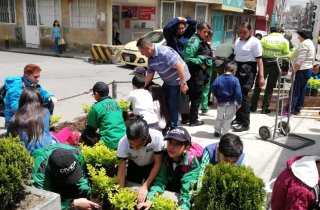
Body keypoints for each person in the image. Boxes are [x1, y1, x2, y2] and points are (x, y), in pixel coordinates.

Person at [137, 127, 201, 210]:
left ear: (186, 148)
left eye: (177, 144)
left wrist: (183, 208)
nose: (171, 147)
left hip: (181, 194)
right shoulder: (165, 157)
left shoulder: (192, 163)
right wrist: (150, 199)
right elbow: (160, 181)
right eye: (169, 142)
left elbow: (187, 191)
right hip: (169, 190)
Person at [137, 37, 190, 129]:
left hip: (177, 80)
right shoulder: (150, 59)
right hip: (168, 81)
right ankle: (168, 123)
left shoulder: (164, 53)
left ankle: (174, 127)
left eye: (141, 51)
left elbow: (180, 66)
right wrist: (141, 88)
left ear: (147, 48)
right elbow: (150, 74)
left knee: (172, 103)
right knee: (164, 101)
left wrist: (183, 84)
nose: (141, 54)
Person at [32, 144, 100, 210]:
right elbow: (43, 201)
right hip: (49, 179)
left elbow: (81, 178)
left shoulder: (76, 154)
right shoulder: (41, 170)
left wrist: (88, 194)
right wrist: (73, 204)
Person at [117, 116, 164, 204]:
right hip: (134, 165)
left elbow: (158, 163)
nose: (135, 148)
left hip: (152, 166)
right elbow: (121, 170)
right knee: (132, 187)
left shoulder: (157, 137)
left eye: (139, 145)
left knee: (149, 191)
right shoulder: (123, 143)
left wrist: (145, 186)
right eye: (131, 145)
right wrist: (120, 193)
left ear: (146, 137)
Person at [232, 22, 265, 132]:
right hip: (238, 68)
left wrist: (261, 77)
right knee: (237, 94)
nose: (242, 34)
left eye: (245, 32)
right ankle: (238, 117)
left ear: (251, 31)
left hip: (249, 69)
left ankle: (245, 123)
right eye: (240, 32)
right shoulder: (238, 41)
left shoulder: (255, 42)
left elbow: (259, 60)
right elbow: (236, 56)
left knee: (244, 96)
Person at [3, 64, 56, 130]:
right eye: (35, 77)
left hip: (28, 114)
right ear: (26, 76)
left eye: (38, 77)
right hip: (14, 118)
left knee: (50, 102)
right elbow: (15, 108)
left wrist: (49, 97)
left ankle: (46, 124)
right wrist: (34, 111)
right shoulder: (16, 88)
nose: (37, 79)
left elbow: (42, 92)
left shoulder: (32, 83)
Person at [250, 26, 290, 114]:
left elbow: (258, 52)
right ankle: (264, 108)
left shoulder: (264, 39)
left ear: (270, 31)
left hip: (263, 63)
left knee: (258, 85)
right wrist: (285, 68)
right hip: (276, 65)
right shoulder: (284, 41)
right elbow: (286, 57)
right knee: (270, 87)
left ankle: (253, 107)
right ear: (279, 31)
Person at [182, 22, 213, 126]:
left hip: (197, 73)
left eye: (207, 32)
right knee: (195, 97)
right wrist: (201, 62)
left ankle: (186, 118)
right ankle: (193, 120)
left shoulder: (201, 41)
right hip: (194, 74)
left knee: (190, 97)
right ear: (198, 31)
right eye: (204, 32)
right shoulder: (194, 42)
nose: (206, 34)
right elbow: (188, 59)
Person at [10, 88, 58, 154]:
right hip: (45, 148)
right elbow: (46, 130)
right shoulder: (45, 112)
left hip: (25, 151)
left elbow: (10, 136)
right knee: (63, 132)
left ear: (21, 101)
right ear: (39, 100)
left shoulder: (15, 118)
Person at [81, 82, 126, 149]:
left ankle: (83, 151)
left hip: (109, 142)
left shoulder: (96, 107)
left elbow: (91, 128)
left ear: (96, 93)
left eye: (93, 94)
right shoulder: (116, 104)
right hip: (124, 140)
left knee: (86, 134)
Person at [282, 28, 315, 115]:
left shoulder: (304, 44)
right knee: (302, 90)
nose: (298, 38)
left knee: (295, 90)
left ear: (303, 35)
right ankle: (297, 109)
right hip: (307, 69)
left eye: (299, 36)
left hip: (302, 69)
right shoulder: (310, 43)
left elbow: (300, 59)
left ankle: (290, 109)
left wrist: (294, 71)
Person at [211, 61, 242, 137]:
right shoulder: (235, 80)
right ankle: (225, 133)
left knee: (219, 117)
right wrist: (239, 102)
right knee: (228, 118)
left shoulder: (218, 78)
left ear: (224, 70)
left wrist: (217, 96)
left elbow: (213, 88)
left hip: (220, 102)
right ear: (234, 71)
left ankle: (217, 131)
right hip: (231, 103)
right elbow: (238, 93)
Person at [200, 30, 214, 115]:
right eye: (211, 36)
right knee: (204, 89)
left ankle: (204, 107)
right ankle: (204, 109)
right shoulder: (200, 45)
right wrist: (202, 65)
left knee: (205, 89)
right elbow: (199, 56)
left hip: (208, 69)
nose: (212, 38)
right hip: (204, 70)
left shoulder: (207, 45)